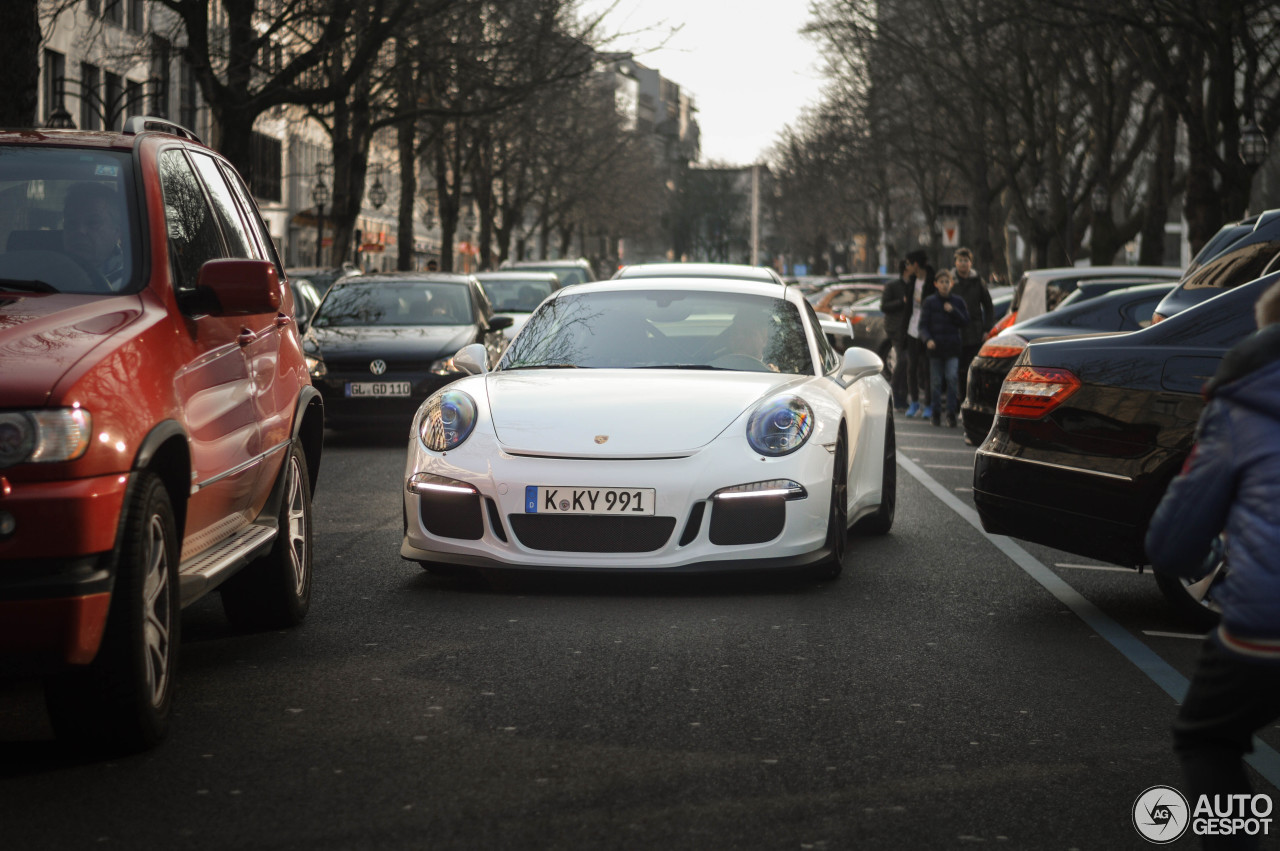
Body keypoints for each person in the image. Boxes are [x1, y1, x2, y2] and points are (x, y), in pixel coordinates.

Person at [1146, 279, 1280, 850]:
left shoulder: (1239, 403)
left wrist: (1221, 555)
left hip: (1266, 629)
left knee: (1207, 737)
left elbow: (1172, 545)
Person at [917, 269, 969, 427]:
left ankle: (951, 414)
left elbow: (965, 321)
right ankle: (936, 413)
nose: (945, 285)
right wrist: (928, 340)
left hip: (952, 348)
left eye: (947, 282)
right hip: (935, 349)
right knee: (936, 383)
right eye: (942, 282)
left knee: (952, 379)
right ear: (936, 284)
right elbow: (922, 326)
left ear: (951, 284)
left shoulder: (957, 302)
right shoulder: (930, 302)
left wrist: (953, 311)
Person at [62, 182, 127, 290]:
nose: (80, 231)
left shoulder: (130, 283)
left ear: (117, 231)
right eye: (71, 223)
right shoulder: (43, 272)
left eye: (93, 222)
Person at [950, 247, 993, 404]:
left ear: (971, 263)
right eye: (960, 260)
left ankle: (971, 400)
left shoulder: (978, 282)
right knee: (955, 371)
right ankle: (957, 402)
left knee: (971, 369)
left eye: (966, 260)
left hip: (974, 332)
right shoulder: (950, 281)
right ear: (955, 263)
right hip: (954, 333)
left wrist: (987, 329)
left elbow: (988, 306)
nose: (963, 264)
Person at [902, 249, 937, 419]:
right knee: (912, 368)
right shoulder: (912, 281)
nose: (906, 267)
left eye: (908, 263)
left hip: (927, 331)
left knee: (927, 368)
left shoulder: (933, 280)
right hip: (911, 330)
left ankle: (928, 404)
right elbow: (908, 309)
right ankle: (914, 402)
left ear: (916, 264)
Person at [880, 260, 913, 411]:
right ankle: (895, 393)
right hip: (896, 329)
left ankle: (903, 396)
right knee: (902, 359)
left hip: (911, 329)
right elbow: (884, 306)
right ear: (906, 268)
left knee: (908, 362)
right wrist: (901, 302)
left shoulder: (914, 284)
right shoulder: (893, 285)